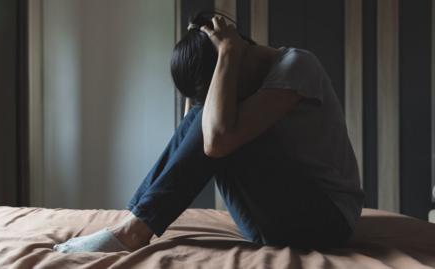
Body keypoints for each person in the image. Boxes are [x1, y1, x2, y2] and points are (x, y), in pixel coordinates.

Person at [53, 11, 365, 253]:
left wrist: (229, 50)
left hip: (326, 220)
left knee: (218, 127)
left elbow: (215, 140)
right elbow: (195, 129)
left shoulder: (297, 65)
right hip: (275, 221)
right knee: (209, 118)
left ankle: (134, 230)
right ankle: (133, 221)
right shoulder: (251, 86)